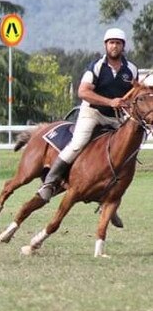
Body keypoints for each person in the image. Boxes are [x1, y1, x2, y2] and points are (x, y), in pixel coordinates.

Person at [36, 28, 137, 225]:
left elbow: (134, 93)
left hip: (115, 118)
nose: (114, 46)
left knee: (124, 154)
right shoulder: (97, 66)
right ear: (105, 45)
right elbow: (83, 92)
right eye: (111, 42)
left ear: (123, 46)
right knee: (78, 142)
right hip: (92, 113)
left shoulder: (131, 70)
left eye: (118, 43)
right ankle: (50, 182)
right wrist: (110, 102)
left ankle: (110, 202)